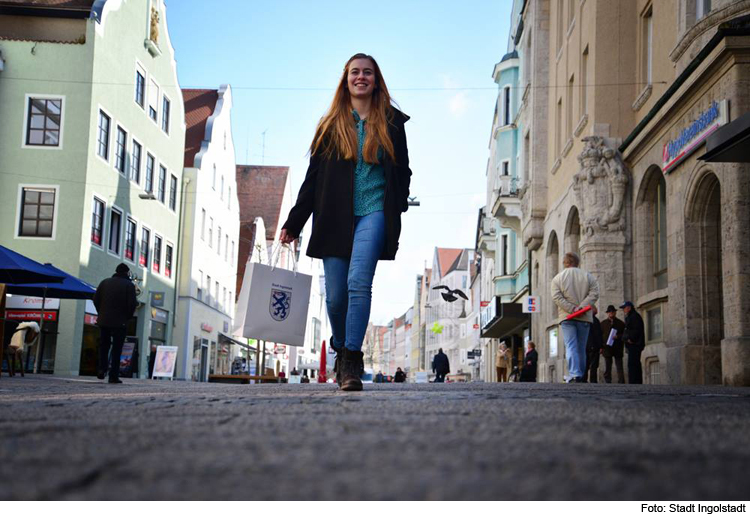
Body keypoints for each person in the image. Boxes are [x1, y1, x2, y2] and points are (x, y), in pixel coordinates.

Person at [279, 53, 412, 392]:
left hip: (374, 211)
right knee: (336, 296)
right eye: (355, 72)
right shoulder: (330, 125)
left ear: (376, 80)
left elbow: (403, 170)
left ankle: (352, 359)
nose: (361, 77)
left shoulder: (392, 122)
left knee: (358, 282)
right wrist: (294, 223)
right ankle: (341, 347)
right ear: (346, 79)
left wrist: (399, 201)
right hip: (334, 215)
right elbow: (312, 179)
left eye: (368, 72)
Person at [551, 252, 600, 383]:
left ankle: (575, 374)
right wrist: (582, 307)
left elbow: (557, 297)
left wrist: (572, 309)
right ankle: (582, 375)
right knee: (581, 347)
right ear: (578, 262)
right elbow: (595, 293)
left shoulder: (558, 278)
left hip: (567, 317)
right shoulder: (588, 276)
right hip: (584, 317)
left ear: (565, 262)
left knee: (571, 345)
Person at [93, 263, 137, 384]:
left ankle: (102, 369)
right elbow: (132, 304)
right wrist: (127, 317)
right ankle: (113, 376)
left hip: (104, 320)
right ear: (127, 273)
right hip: (120, 322)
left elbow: (96, 299)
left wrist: (101, 313)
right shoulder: (129, 285)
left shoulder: (104, 282)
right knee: (117, 349)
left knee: (104, 346)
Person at [621, 301, 645, 384]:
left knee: (633, 364)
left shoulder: (634, 316)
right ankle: (634, 381)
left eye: (624, 308)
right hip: (633, 344)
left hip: (635, 344)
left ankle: (635, 382)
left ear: (629, 308)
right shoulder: (631, 316)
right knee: (633, 363)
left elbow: (636, 330)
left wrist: (630, 338)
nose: (623, 310)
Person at [600, 305, 626, 383]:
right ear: (607, 313)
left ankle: (621, 381)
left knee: (619, 365)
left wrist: (618, 336)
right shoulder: (603, 323)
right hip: (607, 348)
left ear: (615, 313)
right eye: (610, 312)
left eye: (613, 312)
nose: (611, 313)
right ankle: (608, 381)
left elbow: (625, 334)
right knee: (608, 366)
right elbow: (600, 336)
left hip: (617, 347)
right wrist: (601, 347)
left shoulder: (621, 323)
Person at [584, 306, 603, 383]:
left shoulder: (585, 320)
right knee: (593, 365)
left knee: (586, 364)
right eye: (595, 309)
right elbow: (598, 335)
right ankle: (593, 380)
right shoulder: (594, 320)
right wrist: (601, 346)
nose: (597, 310)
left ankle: (584, 379)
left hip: (586, 346)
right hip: (593, 346)